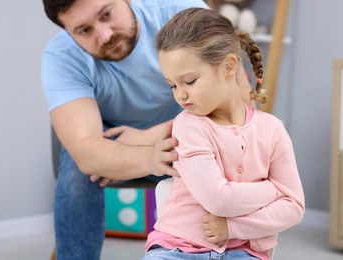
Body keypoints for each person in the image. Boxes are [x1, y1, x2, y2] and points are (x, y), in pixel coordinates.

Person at [41, 0, 252, 259]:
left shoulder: (182, 12)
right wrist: (147, 156)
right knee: (78, 170)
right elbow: (86, 150)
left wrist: (147, 138)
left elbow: (239, 102)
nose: (104, 35)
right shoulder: (61, 56)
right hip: (117, 140)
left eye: (107, 14)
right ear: (67, 32)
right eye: (84, 30)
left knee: (227, 149)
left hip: (188, 133)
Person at [143, 8, 305, 260]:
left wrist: (233, 228)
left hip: (246, 252)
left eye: (190, 81)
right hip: (178, 248)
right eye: (173, 85)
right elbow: (218, 200)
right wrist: (272, 191)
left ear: (229, 66)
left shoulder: (272, 130)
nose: (180, 95)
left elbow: (294, 208)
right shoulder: (188, 126)